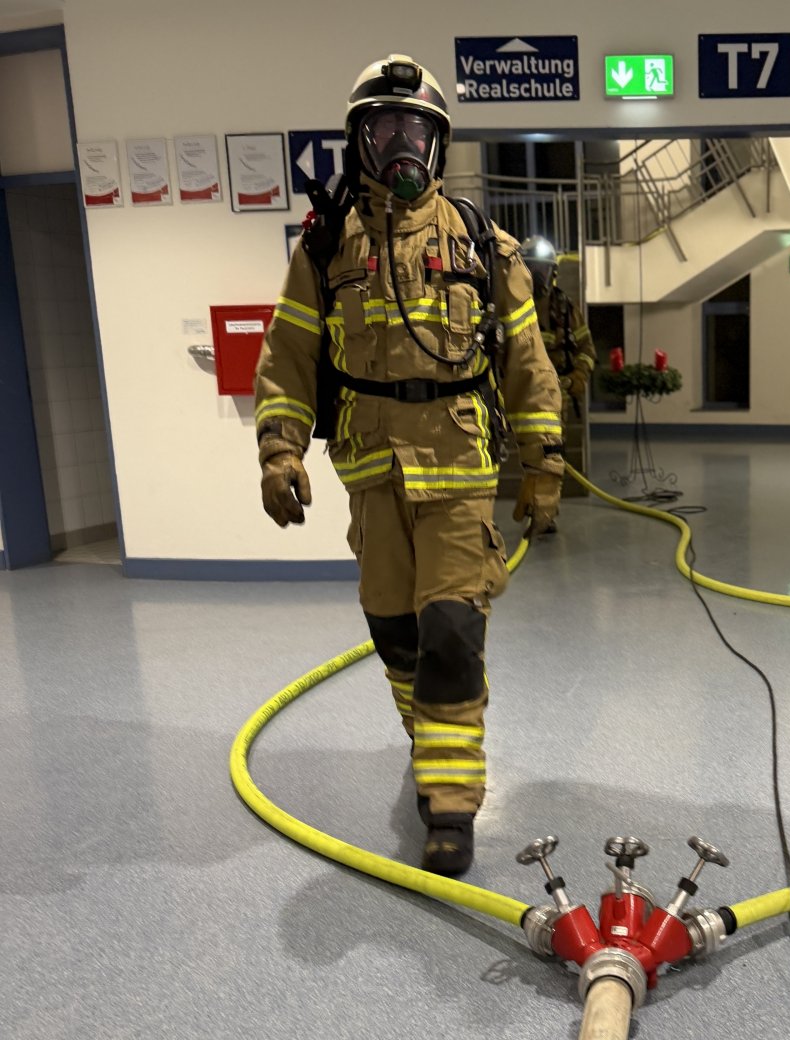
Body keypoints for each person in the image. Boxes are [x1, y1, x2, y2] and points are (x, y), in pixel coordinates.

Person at [253, 54, 563, 877]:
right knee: (395, 632)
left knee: (452, 632)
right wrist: (280, 449)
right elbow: (288, 358)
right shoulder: (325, 249)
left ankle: (449, 802)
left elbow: (528, 361)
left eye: (414, 130)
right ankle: (428, 740)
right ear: (359, 140)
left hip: (459, 472)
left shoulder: (483, 245)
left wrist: (544, 464)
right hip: (372, 475)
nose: (401, 145)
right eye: (384, 128)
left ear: (437, 143)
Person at [518, 236, 597, 421]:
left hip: (557, 401)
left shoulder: (565, 309)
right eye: (531, 267)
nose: (537, 274)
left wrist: (575, 377)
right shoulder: (509, 306)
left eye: (542, 268)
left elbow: (586, 350)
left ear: (553, 272)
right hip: (518, 398)